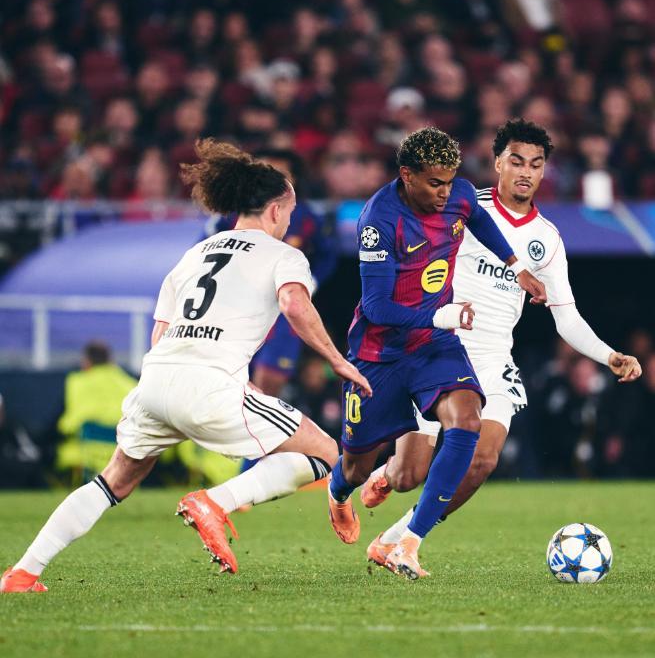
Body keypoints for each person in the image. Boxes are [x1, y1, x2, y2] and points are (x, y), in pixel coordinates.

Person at [1, 140, 371, 593]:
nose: (290, 221)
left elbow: (160, 331)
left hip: (155, 382)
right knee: (326, 455)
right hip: (209, 386)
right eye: (290, 213)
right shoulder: (283, 255)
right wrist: (337, 360)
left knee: (113, 481)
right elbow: (295, 304)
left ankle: (23, 572)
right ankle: (217, 501)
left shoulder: (195, 253)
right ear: (276, 210)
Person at [361, 119, 642, 577]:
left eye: (535, 164)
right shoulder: (460, 206)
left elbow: (566, 316)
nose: (525, 172)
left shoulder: (547, 239)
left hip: (493, 358)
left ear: (544, 170)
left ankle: (400, 541)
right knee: (408, 475)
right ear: (497, 163)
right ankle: (386, 474)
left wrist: (608, 355)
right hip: (437, 348)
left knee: (482, 459)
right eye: (516, 161)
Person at [326, 126, 547, 579]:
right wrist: (441, 315)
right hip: (381, 353)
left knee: (467, 421)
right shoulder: (379, 221)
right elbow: (376, 307)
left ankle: (407, 544)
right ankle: (338, 491)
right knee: (357, 465)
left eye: (449, 181)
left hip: (434, 345)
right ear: (407, 175)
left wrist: (516, 266)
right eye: (434, 183)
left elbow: (478, 219)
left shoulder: (459, 194)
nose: (445, 193)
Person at [202, 147, 338, 398]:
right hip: (238, 309)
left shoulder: (307, 218)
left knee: (268, 385)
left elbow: (327, 255)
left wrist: (311, 282)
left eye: (279, 173)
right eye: (264, 171)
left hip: (282, 311)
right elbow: (203, 253)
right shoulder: (231, 214)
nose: (270, 178)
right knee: (230, 382)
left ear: (293, 179)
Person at [56, 340, 136, 476]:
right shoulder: (131, 385)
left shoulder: (76, 383)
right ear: (111, 361)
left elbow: (65, 426)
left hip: (83, 456)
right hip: (126, 456)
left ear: (86, 362)